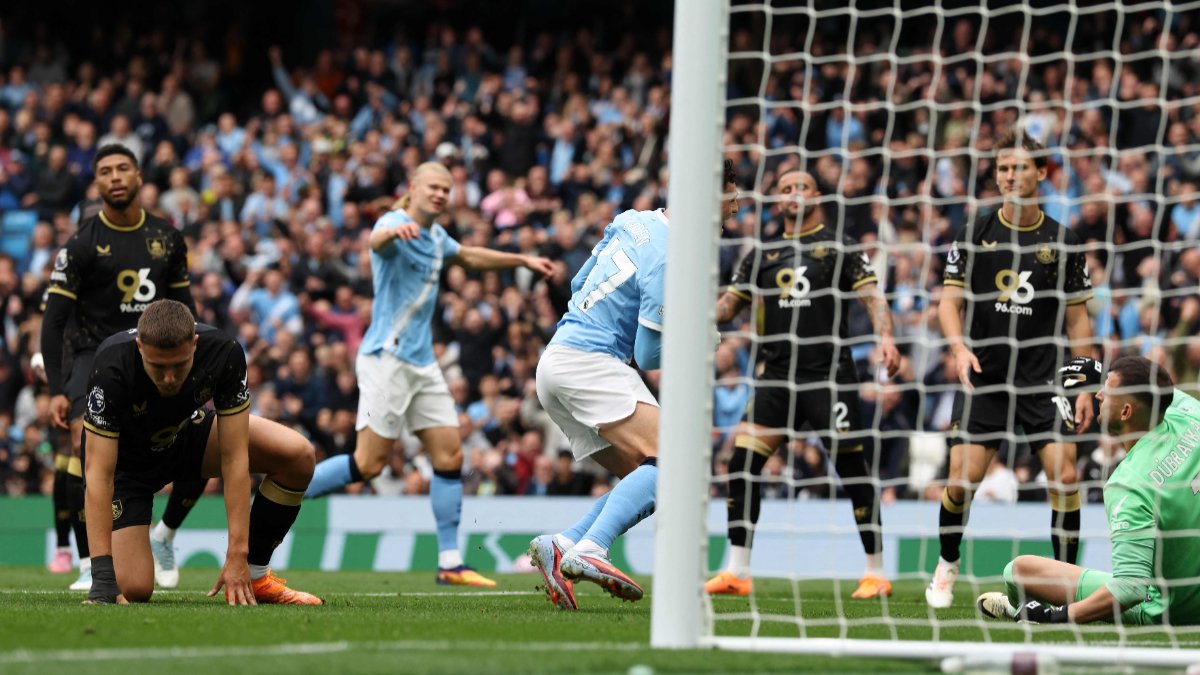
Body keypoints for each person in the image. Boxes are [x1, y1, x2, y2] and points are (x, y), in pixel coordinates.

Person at [303, 162, 554, 587]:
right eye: (433, 188)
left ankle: (450, 562)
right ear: (413, 188)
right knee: (368, 464)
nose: (440, 195)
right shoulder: (395, 223)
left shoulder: (437, 237)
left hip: (422, 365)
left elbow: (470, 255)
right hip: (387, 359)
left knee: (450, 457)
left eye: (446, 189)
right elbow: (376, 241)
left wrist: (522, 259)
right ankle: (282, 490)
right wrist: (389, 234)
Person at [527, 160, 739, 611]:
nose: (736, 205)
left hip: (557, 359)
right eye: (732, 194)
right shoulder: (671, 255)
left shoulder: (633, 220)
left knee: (650, 474)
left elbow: (579, 281)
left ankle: (563, 544)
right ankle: (593, 549)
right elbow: (650, 356)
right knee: (679, 460)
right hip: (592, 364)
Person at [703, 169, 901, 599]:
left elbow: (872, 296)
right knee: (741, 465)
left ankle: (876, 572)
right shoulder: (763, 253)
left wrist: (886, 336)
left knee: (852, 471)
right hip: (775, 377)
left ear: (817, 196)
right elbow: (728, 307)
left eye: (802, 186)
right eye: (786, 187)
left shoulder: (840, 247)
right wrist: (689, 313)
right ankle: (737, 570)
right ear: (778, 202)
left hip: (829, 378)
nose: (794, 192)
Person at [927, 130, 1095, 609]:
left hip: (1044, 379)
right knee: (961, 481)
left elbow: (1079, 319)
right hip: (986, 377)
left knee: (1065, 477)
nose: (1009, 175)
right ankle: (947, 564)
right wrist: (958, 348)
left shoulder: (1063, 241)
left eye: (1019, 167)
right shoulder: (975, 231)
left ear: (1042, 173)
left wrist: (1086, 384)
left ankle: (1067, 582)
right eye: (1002, 168)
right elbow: (949, 303)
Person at [40, 144, 205, 592]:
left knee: (201, 432)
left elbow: (186, 308)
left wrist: (202, 364)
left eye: (122, 169)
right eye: (105, 171)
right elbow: (53, 323)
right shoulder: (79, 246)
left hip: (158, 355)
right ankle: (90, 561)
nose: (114, 177)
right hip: (95, 357)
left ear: (138, 177)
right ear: (96, 183)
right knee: (83, 446)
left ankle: (165, 534)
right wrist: (57, 388)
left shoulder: (167, 239)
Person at [82, 299, 321, 605]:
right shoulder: (111, 363)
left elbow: (235, 457)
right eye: (158, 367)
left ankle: (256, 576)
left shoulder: (224, 353)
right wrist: (103, 579)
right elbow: (98, 474)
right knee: (133, 589)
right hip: (126, 469)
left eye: (179, 366)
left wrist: (238, 553)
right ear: (140, 347)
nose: (169, 378)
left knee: (297, 455)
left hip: (185, 436)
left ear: (194, 345)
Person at [978, 356, 1200, 626]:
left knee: (1017, 570)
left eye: (1106, 391)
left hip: (1172, 609)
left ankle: (1022, 608)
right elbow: (1159, 387)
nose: (1098, 394)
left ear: (1126, 412)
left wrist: (1059, 617)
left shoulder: (1128, 482)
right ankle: (1026, 607)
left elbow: (1131, 589)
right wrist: (1102, 372)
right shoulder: (1190, 414)